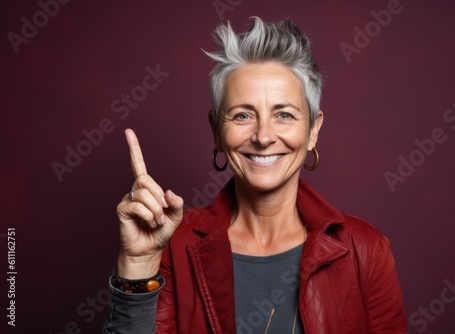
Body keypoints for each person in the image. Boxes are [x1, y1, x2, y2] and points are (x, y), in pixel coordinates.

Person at [104, 17, 406, 334]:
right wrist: (137, 266)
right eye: (243, 115)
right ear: (216, 131)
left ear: (313, 130)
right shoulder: (173, 245)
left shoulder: (366, 250)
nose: (263, 137)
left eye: (284, 115)